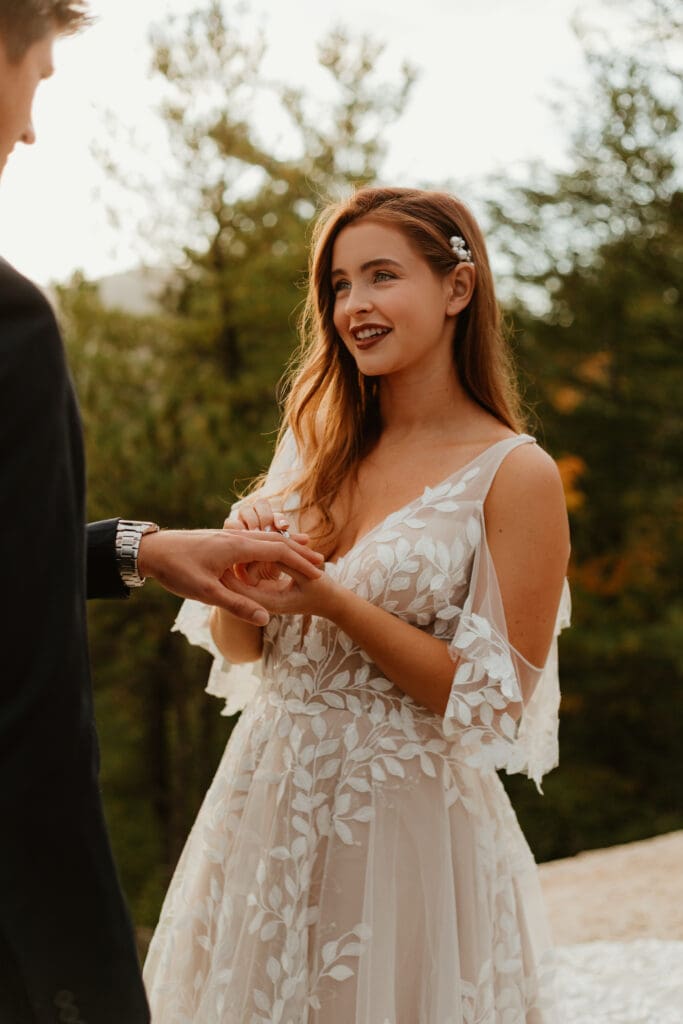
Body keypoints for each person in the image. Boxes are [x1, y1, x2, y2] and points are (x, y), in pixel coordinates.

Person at [143, 187, 571, 1022]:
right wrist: (245, 568)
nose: (354, 306)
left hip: (404, 829)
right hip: (267, 801)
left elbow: (489, 705)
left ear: (457, 288)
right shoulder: (320, 444)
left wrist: (336, 604)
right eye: (338, 285)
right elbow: (242, 649)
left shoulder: (515, 474)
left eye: (381, 275)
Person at [0, 3, 322, 1022]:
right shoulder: (9, 327)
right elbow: (26, 712)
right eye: (36, 80)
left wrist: (137, 548)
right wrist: (82, 977)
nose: (30, 128)